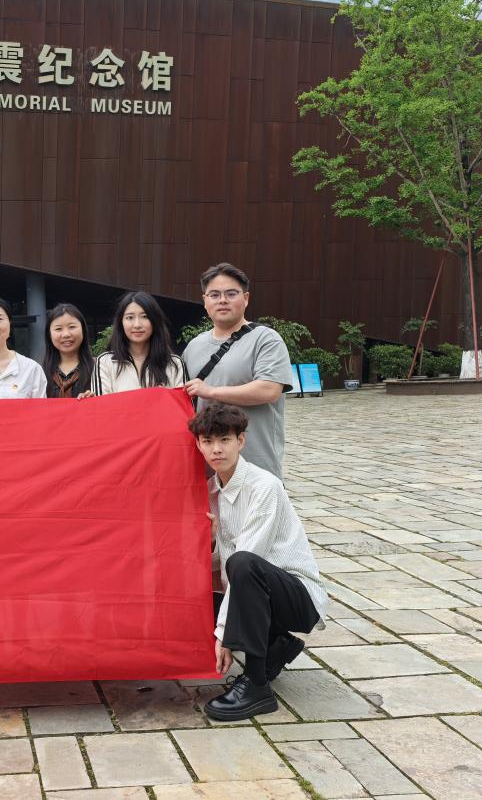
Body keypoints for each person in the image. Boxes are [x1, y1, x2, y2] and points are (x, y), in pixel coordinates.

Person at [190, 403, 327, 721]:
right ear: (198, 445)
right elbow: (222, 566)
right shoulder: (210, 492)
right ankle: (276, 644)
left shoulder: (265, 487)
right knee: (196, 601)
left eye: (224, 439)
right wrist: (210, 540)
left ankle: (256, 687)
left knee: (244, 564)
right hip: (257, 592)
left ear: (241, 441)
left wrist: (223, 634)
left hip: (297, 598)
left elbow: (246, 563)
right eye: (208, 441)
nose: (216, 449)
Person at [183, 263, 294, 478]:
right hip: (207, 470)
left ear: (246, 298)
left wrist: (210, 391)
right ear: (205, 300)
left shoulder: (266, 339)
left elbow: (269, 390)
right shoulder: (194, 346)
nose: (222, 300)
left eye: (231, 294)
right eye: (214, 295)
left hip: (255, 465)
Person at [91, 291, 185, 394]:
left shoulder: (175, 364)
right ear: (121, 322)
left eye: (145, 316)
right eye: (130, 317)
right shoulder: (105, 362)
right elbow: (101, 403)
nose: (137, 325)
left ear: (155, 321)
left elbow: (183, 403)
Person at [41, 303, 95, 398]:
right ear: (49, 334)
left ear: (83, 330)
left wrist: (95, 399)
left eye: (72, 327)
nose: (66, 334)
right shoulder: (39, 373)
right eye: (58, 329)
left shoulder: (99, 368)